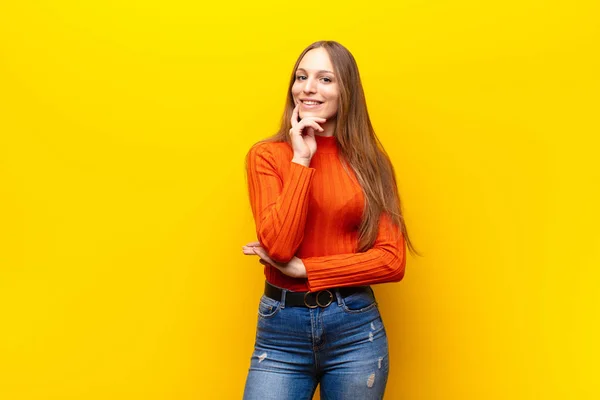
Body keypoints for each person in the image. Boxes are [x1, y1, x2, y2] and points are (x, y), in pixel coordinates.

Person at [241, 40, 417, 400]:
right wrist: (302, 159)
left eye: (325, 79)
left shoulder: (371, 164)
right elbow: (279, 245)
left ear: (345, 91)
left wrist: (308, 270)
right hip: (281, 331)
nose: (308, 88)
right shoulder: (268, 156)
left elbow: (392, 260)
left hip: (354, 329)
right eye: (302, 77)